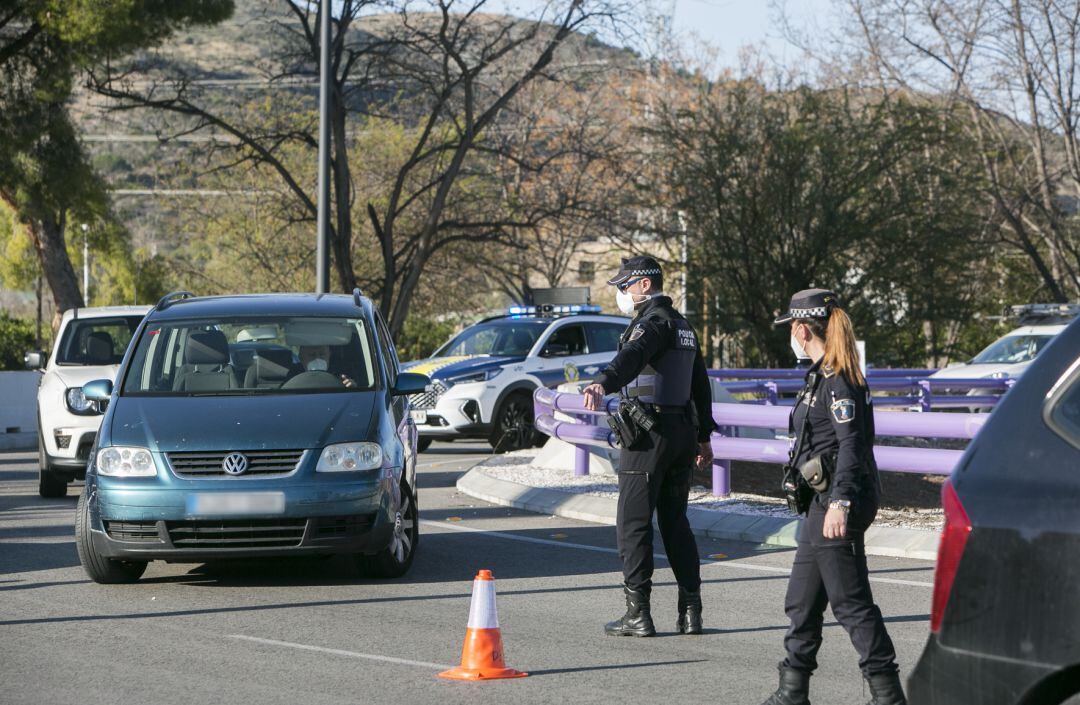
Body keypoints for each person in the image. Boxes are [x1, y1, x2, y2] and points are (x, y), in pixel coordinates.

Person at [761, 289, 906, 705]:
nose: (790, 333)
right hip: (819, 503)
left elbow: (853, 445)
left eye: (791, 326)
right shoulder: (821, 373)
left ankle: (888, 695)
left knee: (851, 602)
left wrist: (840, 502)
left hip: (837, 501)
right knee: (802, 601)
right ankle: (792, 690)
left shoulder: (840, 379)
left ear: (803, 329)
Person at [582, 255, 716, 637]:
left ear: (644, 284)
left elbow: (632, 357)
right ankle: (691, 612)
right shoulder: (684, 326)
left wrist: (602, 383)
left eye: (624, 287)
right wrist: (704, 436)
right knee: (675, 522)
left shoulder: (653, 323)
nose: (621, 294)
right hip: (681, 435)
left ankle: (637, 613)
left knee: (633, 523)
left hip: (648, 434)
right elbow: (700, 386)